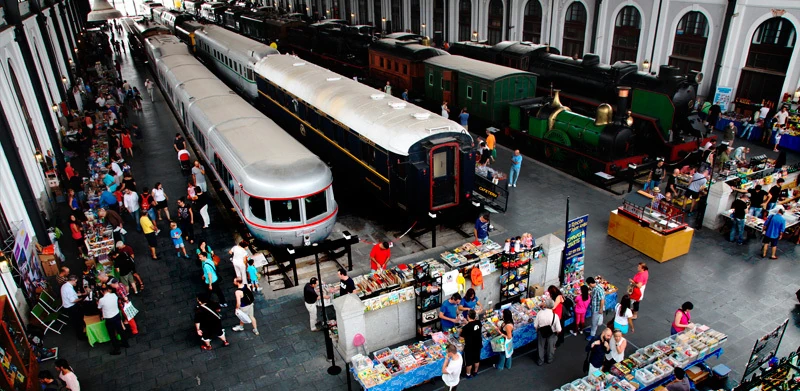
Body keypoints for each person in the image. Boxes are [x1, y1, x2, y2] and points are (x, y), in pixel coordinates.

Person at [97, 286, 128, 355]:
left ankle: (117, 349)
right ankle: (125, 343)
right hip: (117, 315)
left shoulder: (101, 300)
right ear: (108, 290)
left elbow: (99, 308)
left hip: (109, 318)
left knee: (112, 334)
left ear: (101, 291)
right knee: (120, 330)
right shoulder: (114, 295)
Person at [535, 299, 560, 365]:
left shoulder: (540, 313)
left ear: (546, 305)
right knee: (551, 347)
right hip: (552, 333)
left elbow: (535, 325)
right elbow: (559, 329)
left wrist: (537, 330)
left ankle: (540, 361)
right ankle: (549, 359)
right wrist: (556, 335)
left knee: (540, 346)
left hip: (541, 332)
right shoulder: (555, 316)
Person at [460, 310, 482, 379]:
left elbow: (461, 338)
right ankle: (475, 372)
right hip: (478, 344)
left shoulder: (466, 327)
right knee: (476, 359)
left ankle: (468, 374)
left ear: (467, 316)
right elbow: (472, 326)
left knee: (469, 362)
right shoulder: (478, 322)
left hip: (470, 346)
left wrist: (460, 331)